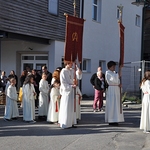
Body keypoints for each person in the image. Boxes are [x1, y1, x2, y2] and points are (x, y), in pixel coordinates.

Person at [59, 61, 82, 129]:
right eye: (70, 63)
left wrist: (77, 67)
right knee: (66, 107)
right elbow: (63, 83)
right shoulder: (63, 71)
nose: (72, 64)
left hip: (72, 92)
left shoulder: (72, 70)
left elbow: (79, 76)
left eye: (72, 63)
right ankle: (65, 123)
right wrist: (71, 86)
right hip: (67, 92)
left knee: (72, 108)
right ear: (67, 63)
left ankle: (71, 123)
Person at [105, 61, 124, 126]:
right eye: (113, 66)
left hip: (116, 89)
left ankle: (116, 119)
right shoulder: (108, 73)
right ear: (109, 67)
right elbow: (114, 79)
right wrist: (120, 71)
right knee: (112, 104)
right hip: (112, 90)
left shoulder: (114, 73)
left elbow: (117, 80)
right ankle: (111, 119)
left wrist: (119, 85)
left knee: (116, 104)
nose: (114, 67)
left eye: (114, 66)